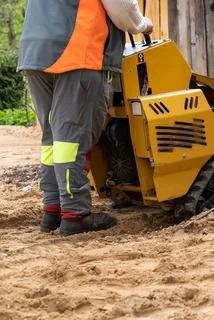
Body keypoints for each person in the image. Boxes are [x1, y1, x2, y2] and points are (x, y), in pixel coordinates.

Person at [17, 0, 153, 236]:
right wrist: (141, 24)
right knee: (71, 138)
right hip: (76, 51)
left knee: (53, 138)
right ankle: (75, 214)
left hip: (34, 53)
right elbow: (121, 7)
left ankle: (54, 209)